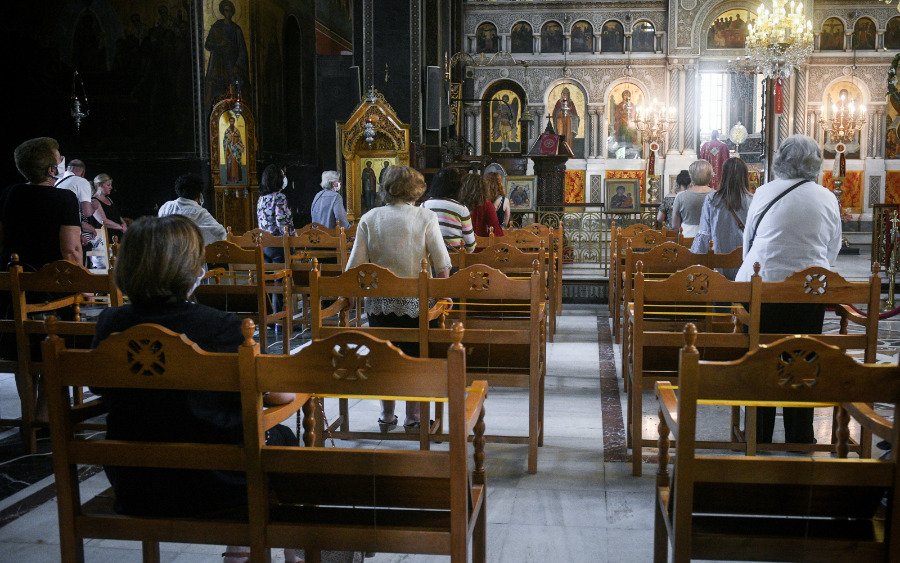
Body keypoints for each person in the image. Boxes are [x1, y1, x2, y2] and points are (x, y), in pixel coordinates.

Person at [92, 215, 298, 562]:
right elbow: (280, 395)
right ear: (193, 268)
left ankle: (242, 549)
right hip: (216, 485)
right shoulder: (219, 326)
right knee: (281, 442)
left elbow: (99, 387)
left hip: (135, 483)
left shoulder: (109, 323)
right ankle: (277, 551)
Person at [735, 134, 841, 446]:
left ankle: (760, 435)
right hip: (809, 294)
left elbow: (748, 243)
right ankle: (800, 436)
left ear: (781, 161)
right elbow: (832, 250)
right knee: (803, 362)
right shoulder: (826, 197)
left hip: (763, 288)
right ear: (815, 163)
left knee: (763, 362)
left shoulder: (766, 191)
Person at [346, 165, 451, 431]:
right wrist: (441, 298)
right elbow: (442, 265)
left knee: (385, 358)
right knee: (413, 360)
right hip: (418, 308)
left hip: (379, 306)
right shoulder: (425, 216)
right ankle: (414, 418)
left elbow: (354, 268)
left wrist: (349, 299)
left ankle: (386, 416)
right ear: (416, 190)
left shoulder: (370, 218)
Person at [2, 137, 81, 270]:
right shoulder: (65, 198)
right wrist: (83, 286)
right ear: (51, 170)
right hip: (51, 284)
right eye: (59, 159)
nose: (62, 159)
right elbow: (71, 251)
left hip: (11, 280)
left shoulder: (8, 193)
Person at [691, 157, 753, 279]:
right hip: (745, 259)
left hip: (718, 258)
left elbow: (704, 233)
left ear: (723, 175)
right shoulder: (753, 200)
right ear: (745, 176)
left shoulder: (712, 199)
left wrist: (696, 260)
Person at [204, 0, 250, 108]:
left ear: (233, 12)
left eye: (230, 10)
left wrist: (237, 65)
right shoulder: (217, 26)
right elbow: (208, 45)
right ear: (222, 11)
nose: (228, 13)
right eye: (226, 10)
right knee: (217, 91)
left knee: (234, 90)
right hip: (218, 66)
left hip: (232, 66)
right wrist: (219, 44)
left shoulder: (236, 29)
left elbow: (242, 50)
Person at [158, 173, 227, 246]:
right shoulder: (200, 212)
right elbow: (221, 234)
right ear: (199, 194)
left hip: (166, 253)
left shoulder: (166, 206)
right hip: (190, 254)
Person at [421, 167, 476, 253]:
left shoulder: (424, 205)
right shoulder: (461, 209)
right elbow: (470, 245)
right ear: (457, 187)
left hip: (429, 258)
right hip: (456, 259)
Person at [55, 158, 98, 247]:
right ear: (83, 173)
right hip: (71, 230)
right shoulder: (81, 181)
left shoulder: (56, 181)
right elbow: (87, 212)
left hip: (55, 228)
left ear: (67, 169)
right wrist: (94, 207)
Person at [672, 160, 715, 238]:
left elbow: (675, 226)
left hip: (686, 239)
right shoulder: (717, 195)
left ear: (691, 176)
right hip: (711, 240)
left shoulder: (681, 196)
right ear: (710, 176)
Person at [461, 173, 503, 237]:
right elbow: (497, 232)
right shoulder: (486, 205)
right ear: (483, 188)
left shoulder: (457, 205)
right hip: (481, 244)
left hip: (460, 244)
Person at [90, 174, 127, 245]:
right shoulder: (94, 201)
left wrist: (123, 223)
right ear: (100, 185)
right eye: (108, 185)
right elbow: (104, 221)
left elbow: (116, 215)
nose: (111, 187)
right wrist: (121, 228)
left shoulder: (109, 199)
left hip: (117, 236)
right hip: (105, 239)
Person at [222, 114, 244, 184]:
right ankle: (229, 179)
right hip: (229, 150)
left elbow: (240, 141)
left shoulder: (237, 131)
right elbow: (224, 141)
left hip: (236, 151)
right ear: (229, 122)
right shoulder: (227, 131)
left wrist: (239, 146)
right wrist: (227, 143)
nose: (232, 123)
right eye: (230, 121)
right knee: (230, 164)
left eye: (233, 121)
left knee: (236, 165)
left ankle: (236, 179)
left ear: (234, 122)